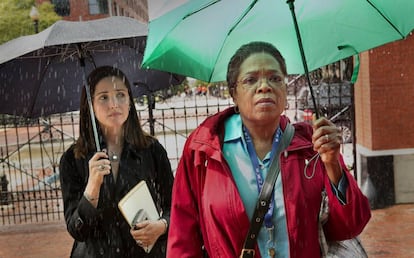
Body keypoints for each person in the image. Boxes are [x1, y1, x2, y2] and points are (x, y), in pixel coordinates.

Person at [167, 42, 371, 257]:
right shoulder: (204, 150)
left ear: (284, 89)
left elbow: (351, 225)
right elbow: (183, 238)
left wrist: (332, 163)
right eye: (250, 80)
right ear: (233, 93)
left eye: (275, 78)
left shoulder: (311, 146)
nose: (264, 86)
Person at [59, 66, 174, 257]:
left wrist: (161, 226)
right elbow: (77, 230)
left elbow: (175, 206)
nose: (114, 104)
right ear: (90, 105)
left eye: (120, 95)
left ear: (130, 100)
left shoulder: (152, 151)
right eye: (103, 97)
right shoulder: (73, 160)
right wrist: (92, 188)